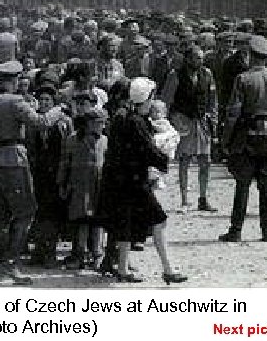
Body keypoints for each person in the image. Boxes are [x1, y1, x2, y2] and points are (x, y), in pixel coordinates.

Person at [0, 60, 66, 285]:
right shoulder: (16, 101)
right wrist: (59, 109)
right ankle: (11, 265)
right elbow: (41, 122)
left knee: (1, 218)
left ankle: (0, 269)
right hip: (13, 160)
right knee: (25, 213)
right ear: (14, 80)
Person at [98, 77, 187, 284]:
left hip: (124, 181)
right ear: (147, 98)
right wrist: (164, 159)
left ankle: (122, 268)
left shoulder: (128, 118)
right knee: (159, 219)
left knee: (126, 223)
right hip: (135, 182)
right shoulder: (137, 122)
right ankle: (167, 269)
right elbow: (148, 151)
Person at [220, 35, 267, 243]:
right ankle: (266, 231)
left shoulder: (242, 79)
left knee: (242, 185)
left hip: (247, 136)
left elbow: (233, 112)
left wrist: (226, 139)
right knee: (266, 187)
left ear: (251, 55)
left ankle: (236, 230)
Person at [161, 45, 219, 212]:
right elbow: (166, 100)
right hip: (184, 121)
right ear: (187, 59)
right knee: (184, 161)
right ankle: (184, 200)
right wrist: (171, 122)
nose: (199, 61)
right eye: (196, 58)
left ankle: (203, 197)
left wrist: (213, 119)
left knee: (205, 161)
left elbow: (213, 99)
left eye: (201, 58)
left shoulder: (207, 74)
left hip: (202, 122)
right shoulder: (175, 75)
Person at [27, 84, 73, 268]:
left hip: (57, 172)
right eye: (42, 100)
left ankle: (50, 252)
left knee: (54, 213)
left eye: (48, 100)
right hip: (39, 172)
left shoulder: (64, 122)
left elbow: (68, 147)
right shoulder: (35, 122)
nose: (44, 103)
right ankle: (39, 250)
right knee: (39, 212)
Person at [58, 108, 108, 270]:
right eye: (99, 123)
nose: (102, 126)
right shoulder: (72, 140)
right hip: (79, 186)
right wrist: (62, 184)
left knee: (98, 221)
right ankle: (79, 254)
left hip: (99, 186)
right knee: (81, 221)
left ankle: (97, 254)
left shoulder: (105, 140)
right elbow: (64, 164)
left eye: (103, 123)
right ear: (89, 124)